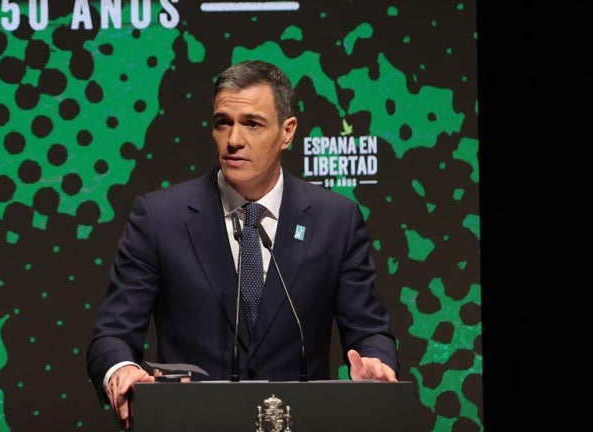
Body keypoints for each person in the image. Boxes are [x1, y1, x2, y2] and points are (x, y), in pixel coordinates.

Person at [86, 59, 398, 428]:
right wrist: (122, 370)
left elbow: (368, 329)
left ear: (287, 131)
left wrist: (377, 364)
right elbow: (113, 334)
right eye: (223, 123)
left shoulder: (335, 220)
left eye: (252, 123)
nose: (234, 140)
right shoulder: (159, 218)